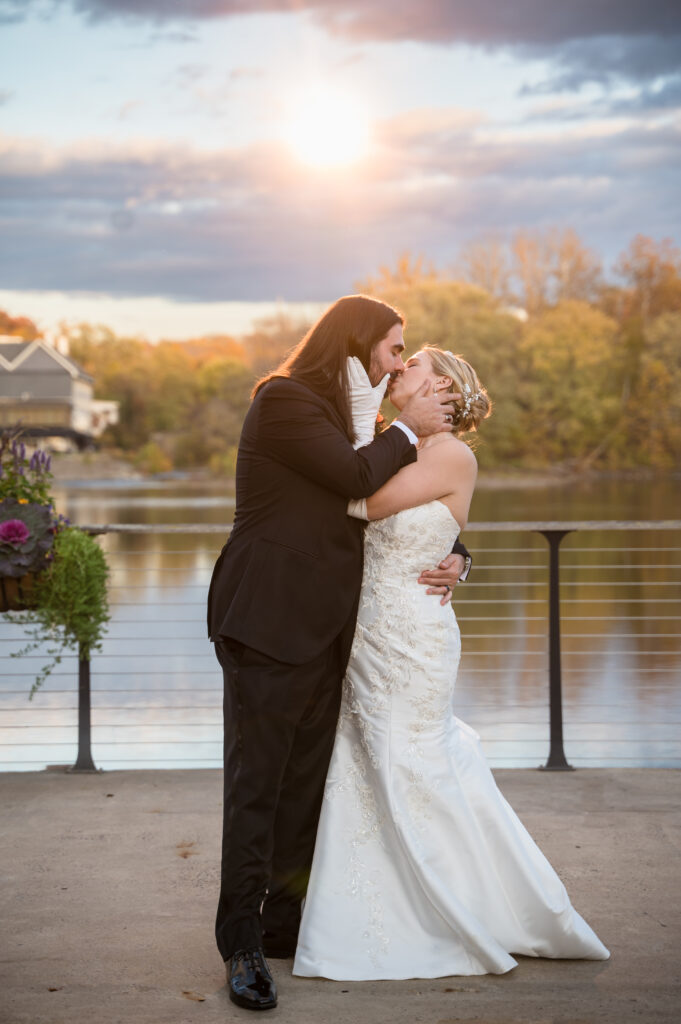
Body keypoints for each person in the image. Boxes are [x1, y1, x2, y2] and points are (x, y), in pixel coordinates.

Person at [293, 346, 610, 980]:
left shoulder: (450, 454)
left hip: (411, 634)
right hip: (364, 632)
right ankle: (362, 902)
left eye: (408, 366)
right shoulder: (395, 442)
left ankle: (457, 905)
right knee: (363, 762)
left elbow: (361, 505)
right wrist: (459, 552)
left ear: (437, 385)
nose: (394, 370)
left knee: (414, 761)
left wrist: (455, 554)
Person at [206, 298, 472, 1011]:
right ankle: (240, 946)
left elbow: (399, 510)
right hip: (267, 622)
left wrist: (456, 553)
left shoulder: (363, 426)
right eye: (391, 348)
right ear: (354, 347)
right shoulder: (286, 401)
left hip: (332, 631)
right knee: (257, 788)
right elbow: (354, 481)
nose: (396, 362)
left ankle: (287, 925)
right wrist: (410, 431)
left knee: (303, 790)